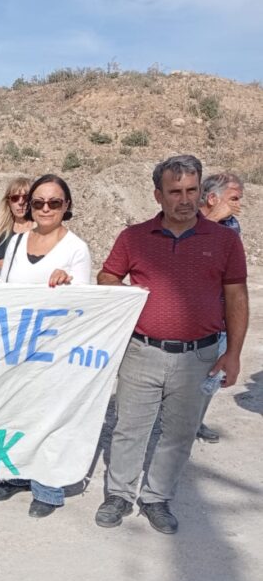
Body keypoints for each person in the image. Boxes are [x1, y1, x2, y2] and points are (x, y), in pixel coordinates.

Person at [95, 155, 247, 534]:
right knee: (130, 428)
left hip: (199, 356)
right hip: (142, 351)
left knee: (179, 432)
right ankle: (119, 494)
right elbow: (107, 275)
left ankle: (156, 498)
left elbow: (237, 298)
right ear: (157, 195)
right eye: (175, 191)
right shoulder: (133, 238)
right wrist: (123, 291)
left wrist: (233, 354)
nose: (185, 199)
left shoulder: (225, 240)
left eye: (192, 190)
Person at [0, 174, 92, 518]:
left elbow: (83, 305)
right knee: (14, 410)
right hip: (16, 345)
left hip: (55, 351)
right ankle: (15, 474)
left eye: (54, 202)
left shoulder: (76, 248)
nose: (46, 208)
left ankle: (47, 487)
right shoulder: (17, 243)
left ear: (67, 206)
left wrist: (68, 284)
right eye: (38, 203)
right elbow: (4, 292)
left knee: (49, 416)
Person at [195, 172, 244, 443]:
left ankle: (195, 422)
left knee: (212, 379)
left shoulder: (232, 225)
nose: (238, 205)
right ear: (212, 198)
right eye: (233, 198)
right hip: (196, 319)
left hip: (223, 318)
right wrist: (214, 219)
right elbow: (185, 257)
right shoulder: (188, 221)